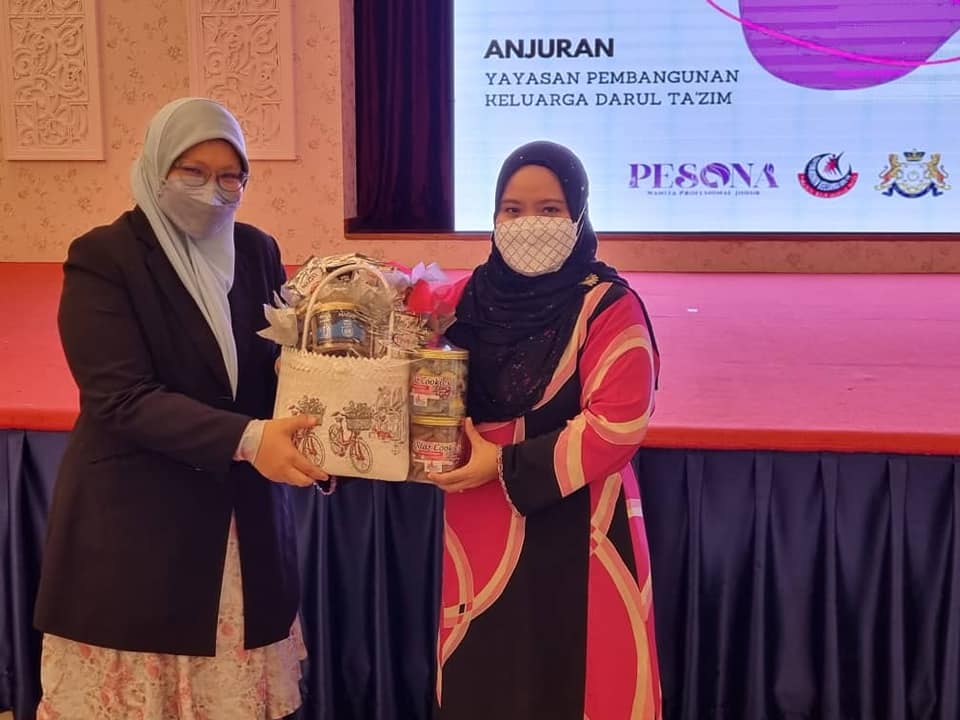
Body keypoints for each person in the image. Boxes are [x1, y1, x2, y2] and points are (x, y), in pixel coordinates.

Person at [32, 97, 328, 719]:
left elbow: (277, 372)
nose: (211, 191)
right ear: (156, 166)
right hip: (141, 537)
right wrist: (251, 439)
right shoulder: (105, 256)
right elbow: (120, 397)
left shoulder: (256, 250)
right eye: (191, 171)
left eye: (230, 177)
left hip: (241, 533)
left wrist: (333, 401)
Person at [430, 141, 662, 719]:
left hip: (578, 520)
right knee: (484, 678)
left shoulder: (609, 306)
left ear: (578, 215)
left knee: (581, 682)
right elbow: (407, 370)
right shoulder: (465, 301)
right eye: (512, 210)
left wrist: (501, 465)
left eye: (550, 209)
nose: (528, 223)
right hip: (477, 524)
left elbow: (618, 426)